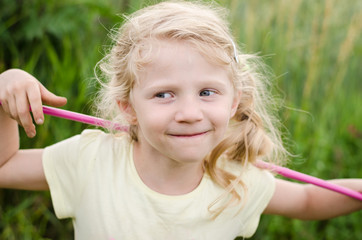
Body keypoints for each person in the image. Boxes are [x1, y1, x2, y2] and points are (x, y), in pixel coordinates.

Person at [0, 1, 361, 239]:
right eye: (164, 94)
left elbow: (309, 201)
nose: (189, 114)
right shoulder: (92, 160)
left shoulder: (236, 181)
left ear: (234, 100)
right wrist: (4, 94)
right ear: (127, 106)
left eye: (207, 92)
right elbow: (6, 167)